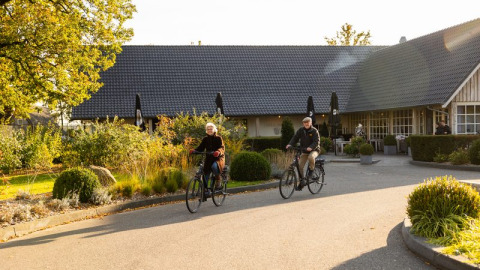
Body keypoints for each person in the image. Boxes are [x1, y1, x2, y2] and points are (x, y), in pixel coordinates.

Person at [190, 123, 225, 195]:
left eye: (211, 129)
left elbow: (222, 148)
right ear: (206, 130)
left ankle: (218, 179)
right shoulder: (205, 139)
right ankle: (205, 189)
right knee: (205, 172)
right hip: (209, 158)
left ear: (214, 129)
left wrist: (218, 152)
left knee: (214, 166)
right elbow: (201, 148)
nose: (209, 130)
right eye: (208, 129)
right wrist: (194, 151)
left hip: (218, 158)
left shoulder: (218, 138)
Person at [286, 117, 320, 189]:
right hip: (304, 151)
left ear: (311, 123)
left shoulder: (314, 131)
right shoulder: (301, 130)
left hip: (314, 150)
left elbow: (316, 142)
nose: (306, 124)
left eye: (308, 122)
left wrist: (311, 147)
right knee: (300, 167)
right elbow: (295, 138)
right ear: (303, 123)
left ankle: (311, 170)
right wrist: (290, 144)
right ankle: (302, 182)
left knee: (311, 157)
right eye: (305, 122)